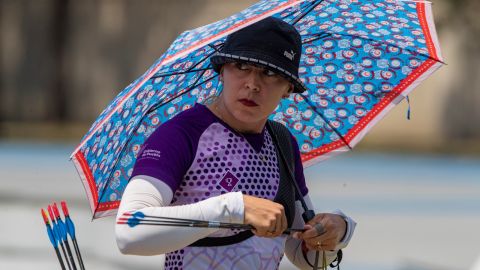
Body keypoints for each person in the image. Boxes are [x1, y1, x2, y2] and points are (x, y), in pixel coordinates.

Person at [115, 17, 356, 270]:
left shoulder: (283, 143)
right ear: (222, 71)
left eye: (270, 73)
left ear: (288, 89)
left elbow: (305, 256)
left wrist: (337, 233)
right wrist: (233, 208)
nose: (252, 84)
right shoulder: (181, 133)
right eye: (241, 65)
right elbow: (129, 231)